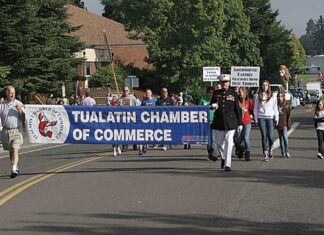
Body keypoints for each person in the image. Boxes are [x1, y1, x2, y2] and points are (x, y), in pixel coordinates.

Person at [210, 74, 242, 171]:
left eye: (226, 82)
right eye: (223, 82)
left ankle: (228, 164)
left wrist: (240, 123)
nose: (225, 84)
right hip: (219, 120)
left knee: (229, 141)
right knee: (219, 143)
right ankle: (223, 157)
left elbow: (237, 108)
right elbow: (211, 104)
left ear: (229, 83)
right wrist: (213, 105)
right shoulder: (216, 93)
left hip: (230, 121)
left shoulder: (233, 93)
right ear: (220, 83)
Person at [0, 86, 25, 178]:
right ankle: (15, 167)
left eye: (14, 93)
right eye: (11, 93)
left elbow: (23, 119)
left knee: (15, 149)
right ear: (6, 93)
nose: (12, 94)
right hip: (6, 130)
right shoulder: (2, 104)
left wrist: (19, 110)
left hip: (17, 130)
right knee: (11, 151)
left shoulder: (19, 103)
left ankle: (14, 169)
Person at [254, 80, 279, 162]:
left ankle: (270, 148)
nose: (265, 87)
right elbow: (255, 108)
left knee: (271, 137)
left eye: (266, 85)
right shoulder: (258, 96)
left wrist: (276, 117)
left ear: (268, 86)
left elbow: (275, 107)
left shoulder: (273, 96)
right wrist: (256, 119)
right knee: (264, 136)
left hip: (270, 117)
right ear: (261, 86)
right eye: (263, 85)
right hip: (261, 117)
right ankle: (265, 154)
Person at [235, 87, 253, 161]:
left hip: (247, 122)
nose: (240, 93)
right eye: (239, 92)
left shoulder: (249, 101)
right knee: (238, 140)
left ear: (245, 93)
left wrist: (251, 114)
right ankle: (241, 150)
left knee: (246, 138)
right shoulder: (236, 101)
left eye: (241, 92)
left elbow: (252, 109)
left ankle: (247, 154)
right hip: (239, 122)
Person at [199, 86, 216, 160]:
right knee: (208, 139)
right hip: (206, 122)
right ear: (207, 93)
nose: (211, 94)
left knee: (213, 139)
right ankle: (210, 153)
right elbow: (198, 110)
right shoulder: (203, 100)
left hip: (215, 121)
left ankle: (213, 154)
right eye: (209, 93)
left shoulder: (216, 100)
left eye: (212, 93)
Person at [120, 86, 137, 152]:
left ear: (129, 91)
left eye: (126, 90)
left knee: (133, 132)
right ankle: (125, 146)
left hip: (132, 118)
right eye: (124, 90)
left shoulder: (133, 98)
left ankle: (135, 144)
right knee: (125, 132)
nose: (125, 92)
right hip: (124, 118)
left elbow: (137, 107)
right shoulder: (121, 98)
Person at [277, 91, 292, 158]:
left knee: (285, 138)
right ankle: (283, 152)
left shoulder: (286, 105)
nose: (280, 98)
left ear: (283, 97)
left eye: (281, 96)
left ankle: (287, 152)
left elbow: (289, 115)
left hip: (284, 124)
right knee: (281, 139)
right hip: (278, 124)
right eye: (279, 96)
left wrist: (289, 124)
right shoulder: (276, 104)